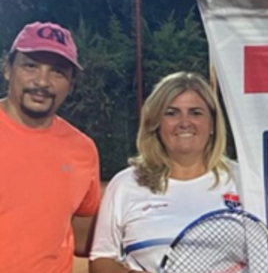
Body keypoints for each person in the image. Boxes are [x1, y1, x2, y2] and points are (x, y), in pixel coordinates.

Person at [90, 71, 240, 273]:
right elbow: (101, 260)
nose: (184, 122)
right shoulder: (126, 184)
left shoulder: (244, 180)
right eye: (171, 113)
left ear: (212, 123)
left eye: (196, 112)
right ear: (156, 123)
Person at [0, 21, 101, 273]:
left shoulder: (83, 150)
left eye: (57, 72)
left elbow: (80, 242)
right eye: (31, 66)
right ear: (8, 69)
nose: (42, 81)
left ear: (71, 84)